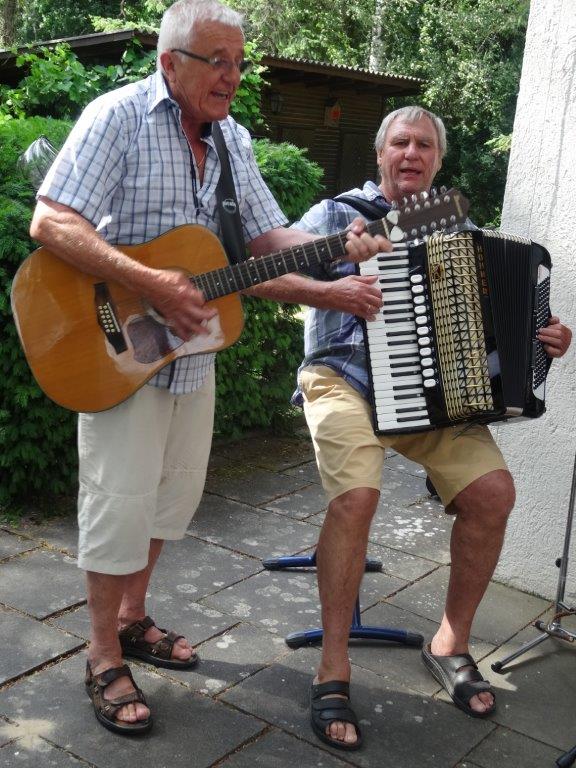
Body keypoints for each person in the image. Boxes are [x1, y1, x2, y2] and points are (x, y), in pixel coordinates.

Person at [28, 0, 389, 736]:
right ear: (171, 62)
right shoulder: (118, 117)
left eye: (239, 61)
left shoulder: (233, 141)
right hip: (112, 353)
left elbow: (267, 237)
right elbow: (52, 220)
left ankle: (131, 618)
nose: (232, 75)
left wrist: (337, 248)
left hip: (187, 359)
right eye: (216, 60)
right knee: (116, 507)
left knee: (169, 503)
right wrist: (155, 281)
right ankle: (101, 654)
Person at [255, 105, 572, 750]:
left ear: (437, 160)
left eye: (424, 145)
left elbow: (495, 318)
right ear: (380, 155)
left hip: (429, 404)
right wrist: (335, 291)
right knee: (358, 496)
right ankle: (333, 668)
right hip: (342, 379)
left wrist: (541, 339)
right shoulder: (336, 212)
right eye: (400, 142)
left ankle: (450, 641)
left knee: (494, 494)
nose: (411, 154)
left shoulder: (456, 225)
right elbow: (264, 274)